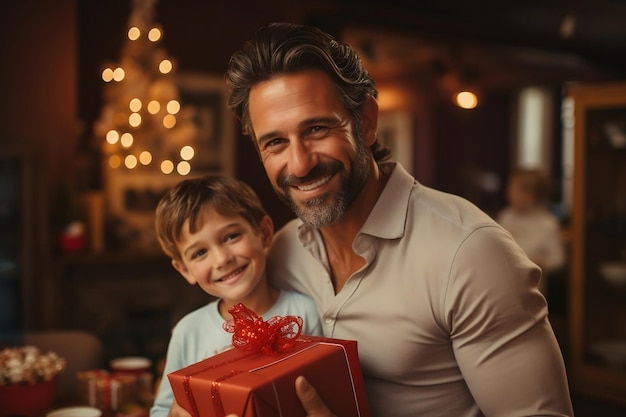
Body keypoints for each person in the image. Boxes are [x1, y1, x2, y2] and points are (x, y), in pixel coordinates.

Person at [219, 22, 575, 417]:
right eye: (276, 142)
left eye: (317, 128)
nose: (300, 164)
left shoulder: (470, 253)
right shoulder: (280, 253)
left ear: (367, 121)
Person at [149, 174, 322, 417]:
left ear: (263, 233)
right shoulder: (188, 332)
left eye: (231, 237)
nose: (222, 259)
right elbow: (160, 410)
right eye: (200, 253)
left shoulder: (306, 312)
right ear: (185, 269)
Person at [496, 168, 566, 295]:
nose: (508, 193)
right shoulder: (506, 216)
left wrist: (542, 262)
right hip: (504, 283)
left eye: (514, 189)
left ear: (529, 195)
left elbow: (558, 259)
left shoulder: (547, 223)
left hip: (532, 288)